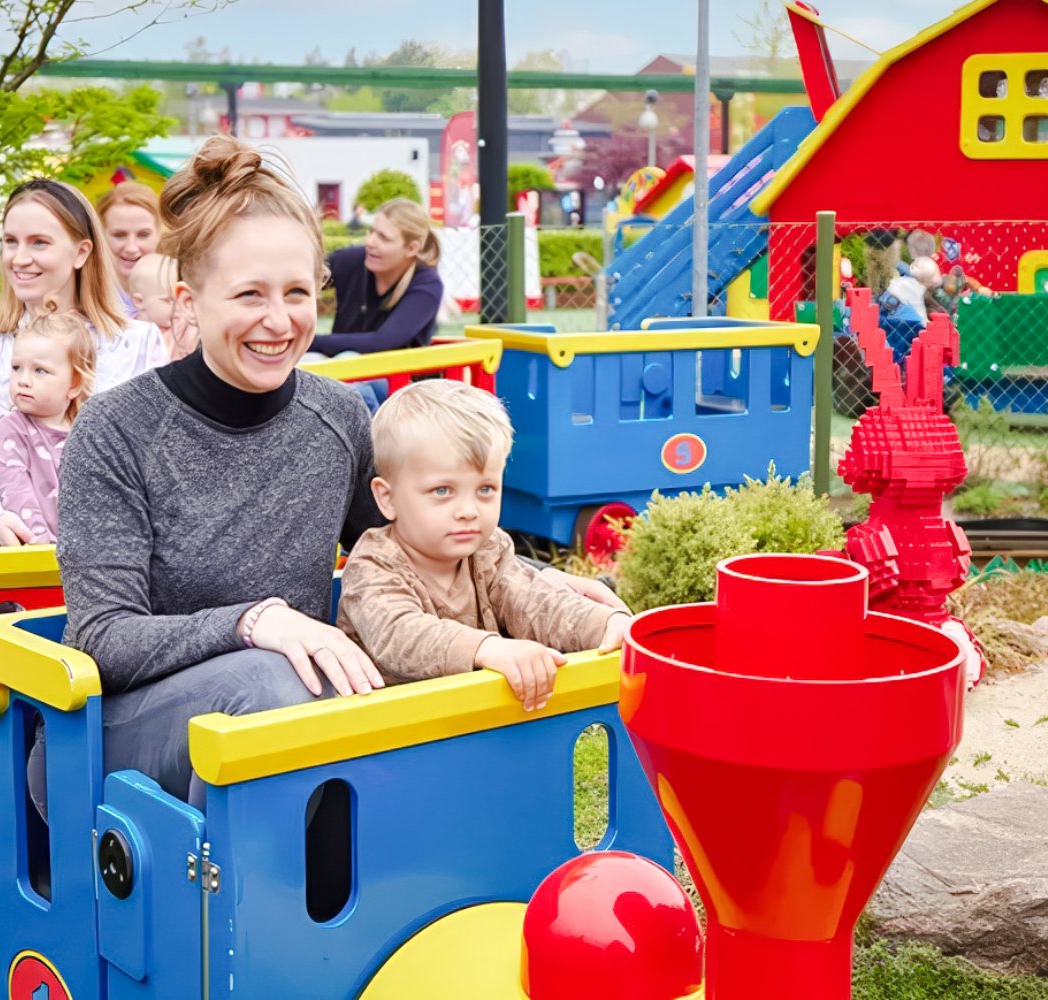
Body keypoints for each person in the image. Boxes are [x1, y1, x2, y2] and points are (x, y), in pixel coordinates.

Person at [51, 136, 626, 805]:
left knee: (324, 688)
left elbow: (413, 548)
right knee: (277, 683)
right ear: (188, 303)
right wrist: (254, 620)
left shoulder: (337, 416)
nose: (278, 320)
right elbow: (102, 636)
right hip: (131, 728)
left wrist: (553, 589)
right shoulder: (116, 430)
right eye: (248, 295)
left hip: (296, 714)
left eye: (297, 292)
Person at [336, 380, 631, 711]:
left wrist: (604, 623)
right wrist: (487, 648)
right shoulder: (373, 564)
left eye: (486, 489)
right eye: (443, 491)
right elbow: (399, 634)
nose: (468, 511)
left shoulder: (488, 550)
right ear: (387, 499)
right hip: (388, 736)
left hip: (471, 725)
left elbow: (537, 602)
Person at [0, 178, 166, 546]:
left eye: (39, 242)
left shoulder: (136, 343)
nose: (20, 258)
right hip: (1, 531)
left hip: (113, 532)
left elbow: (154, 454)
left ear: (81, 252)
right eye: (11, 242)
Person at [0, 311, 96, 546]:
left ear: (74, 384)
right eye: (16, 367)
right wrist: (41, 544)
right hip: (36, 552)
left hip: (86, 554)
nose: (23, 380)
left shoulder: (89, 431)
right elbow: (15, 491)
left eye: (40, 371)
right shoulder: (11, 430)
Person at [309, 198, 444, 357]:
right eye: (371, 231)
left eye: (384, 238)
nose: (370, 242)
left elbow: (382, 342)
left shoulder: (426, 285)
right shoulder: (353, 260)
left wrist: (308, 342)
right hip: (342, 368)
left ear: (411, 248)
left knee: (347, 358)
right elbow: (298, 280)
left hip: (396, 377)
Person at [97, 181, 163, 314]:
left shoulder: (179, 294)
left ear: (159, 235)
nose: (131, 248)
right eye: (119, 235)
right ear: (100, 236)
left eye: (143, 235)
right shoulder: (85, 299)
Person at [128, 252, 196, 361]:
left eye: (180, 300)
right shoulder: (126, 335)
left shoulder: (181, 329)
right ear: (139, 302)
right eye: (169, 300)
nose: (178, 307)